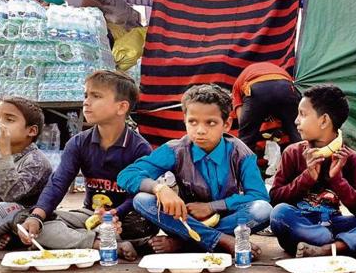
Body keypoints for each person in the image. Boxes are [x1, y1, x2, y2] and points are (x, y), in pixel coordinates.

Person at [118, 84, 272, 256]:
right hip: (183, 221)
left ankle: (184, 244)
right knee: (142, 199)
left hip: (227, 220)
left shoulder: (241, 153)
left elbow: (259, 195)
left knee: (263, 209)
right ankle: (220, 240)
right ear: (184, 121)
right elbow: (127, 175)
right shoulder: (175, 150)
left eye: (211, 123)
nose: (200, 130)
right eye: (192, 122)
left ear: (226, 124)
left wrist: (212, 206)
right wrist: (159, 188)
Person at [17, 70, 156, 261]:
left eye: (96, 96)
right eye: (86, 95)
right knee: (26, 219)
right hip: (88, 216)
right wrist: (37, 217)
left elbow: (139, 195)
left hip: (124, 218)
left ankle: (89, 240)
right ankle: (99, 244)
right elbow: (58, 183)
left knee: (143, 223)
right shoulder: (78, 143)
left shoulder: (139, 148)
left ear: (122, 107)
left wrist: (117, 212)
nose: (86, 102)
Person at [270, 84, 356, 258]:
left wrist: (337, 180)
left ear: (324, 121)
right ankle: (349, 244)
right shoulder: (293, 152)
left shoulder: (349, 157)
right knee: (280, 213)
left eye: (303, 114)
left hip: (335, 223)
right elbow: (275, 198)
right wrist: (306, 177)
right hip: (302, 224)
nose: (296, 120)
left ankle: (329, 248)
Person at [0, 97, 51, 249]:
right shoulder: (1, 154)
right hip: (2, 213)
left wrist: (4, 154)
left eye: (9, 120)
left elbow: (11, 195)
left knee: (6, 208)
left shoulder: (36, 161)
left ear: (31, 131)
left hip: (26, 217)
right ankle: (0, 237)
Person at [231, 62, 301, 152]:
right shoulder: (275, 68)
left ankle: (243, 164)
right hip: (286, 87)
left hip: (256, 88)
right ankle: (307, 162)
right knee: (296, 132)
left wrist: (253, 128)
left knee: (246, 139)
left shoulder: (236, 87)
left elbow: (242, 120)